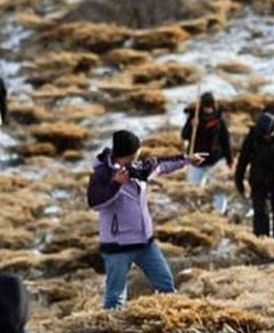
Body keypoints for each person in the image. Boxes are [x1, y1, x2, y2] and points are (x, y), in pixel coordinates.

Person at [87, 129, 205, 309]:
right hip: (117, 247)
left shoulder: (138, 169)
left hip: (145, 243)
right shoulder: (102, 174)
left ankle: (173, 323)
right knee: (115, 298)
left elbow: (160, 164)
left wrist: (188, 159)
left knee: (166, 286)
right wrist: (116, 184)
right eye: (136, 151)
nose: (139, 154)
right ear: (127, 153)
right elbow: (95, 203)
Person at [181, 92, 233, 212]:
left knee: (218, 189)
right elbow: (184, 135)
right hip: (196, 159)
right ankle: (193, 212)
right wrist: (191, 126)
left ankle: (219, 214)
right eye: (206, 108)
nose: (209, 110)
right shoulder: (194, 117)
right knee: (193, 188)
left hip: (216, 160)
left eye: (211, 107)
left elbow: (225, 140)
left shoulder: (219, 119)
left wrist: (229, 160)